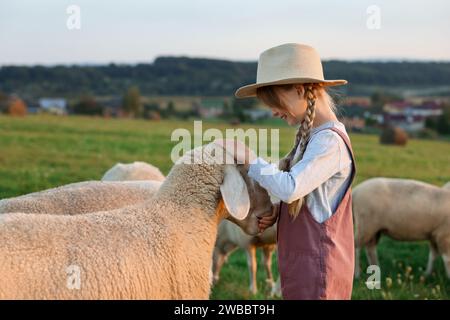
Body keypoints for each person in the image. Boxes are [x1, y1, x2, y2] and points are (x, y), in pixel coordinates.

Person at [233, 43, 357, 300]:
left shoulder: (329, 141)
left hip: (319, 270)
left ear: (300, 90)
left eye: (275, 102)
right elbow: (313, 196)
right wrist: (282, 213)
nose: (273, 112)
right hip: (302, 265)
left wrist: (249, 159)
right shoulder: (312, 137)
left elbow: (291, 188)